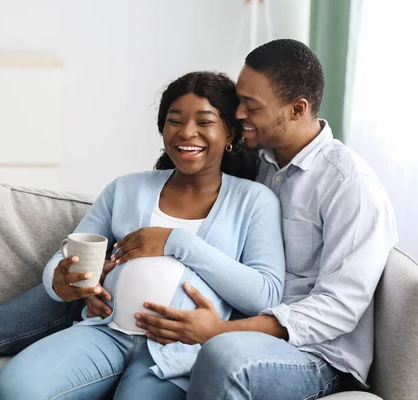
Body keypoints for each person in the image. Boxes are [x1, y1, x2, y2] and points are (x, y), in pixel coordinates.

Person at [0, 38, 398, 399]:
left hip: (293, 348)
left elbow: (322, 306)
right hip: (110, 328)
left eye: (240, 110)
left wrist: (211, 313)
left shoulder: (331, 188)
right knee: (19, 380)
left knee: (216, 356)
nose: (238, 117)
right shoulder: (267, 167)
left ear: (295, 110)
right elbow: (71, 255)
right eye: (176, 121)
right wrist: (68, 280)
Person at [0, 71, 285, 400]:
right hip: (105, 334)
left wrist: (176, 242)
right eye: (175, 120)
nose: (187, 132)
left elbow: (266, 295)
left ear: (229, 131)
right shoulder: (126, 188)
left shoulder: (255, 201)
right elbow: (67, 253)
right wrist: (60, 282)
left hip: (179, 352)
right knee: (9, 391)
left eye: (204, 121)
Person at [134, 39, 398, 399]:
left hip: (316, 355)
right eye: (239, 99)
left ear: (297, 109)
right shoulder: (254, 163)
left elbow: (337, 309)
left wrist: (222, 331)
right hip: (233, 323)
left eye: (251, 106)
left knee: (225, 356)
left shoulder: (350, 185)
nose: (238, 113)